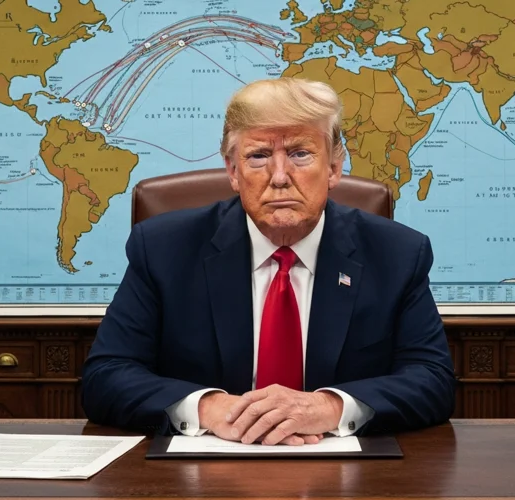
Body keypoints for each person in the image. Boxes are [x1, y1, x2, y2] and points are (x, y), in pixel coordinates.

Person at [81, 77, 455, 445]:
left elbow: (432, 380)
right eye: (258, 156)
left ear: (335, 168)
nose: (279, 177)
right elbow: (106, 376)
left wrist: (328, 407)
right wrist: (212, 410)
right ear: (232, 171)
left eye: (300, 153)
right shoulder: (164, 249)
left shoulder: (397, 253)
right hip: (205, 475)